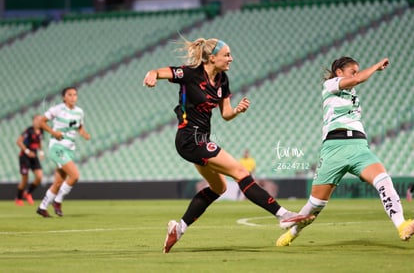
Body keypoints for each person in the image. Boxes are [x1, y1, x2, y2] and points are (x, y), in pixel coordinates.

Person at [143, 37, 314, 253]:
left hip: (201, 140)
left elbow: (225, 114)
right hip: (189, 138)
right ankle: (283, 215)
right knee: (240, 172)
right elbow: (160, 72)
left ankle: (179, 228)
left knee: (219, 188)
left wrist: (237, 111)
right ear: (212, 58)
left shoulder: (222, 79)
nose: (231, 59)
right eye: (227, 55)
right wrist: (151, 75)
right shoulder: (190, 73)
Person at [276, 57, 414, 246]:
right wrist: (374, 66)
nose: (355, 75)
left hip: (358, 146)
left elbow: (355, 82)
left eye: (357, 72)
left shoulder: (351, 92)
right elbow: (357, 80)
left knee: (384, 180)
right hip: (334, 147)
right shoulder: (331, 85)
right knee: (316, 205)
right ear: (339, 72)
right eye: (353, 71)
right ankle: (292, 233)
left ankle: (401, 225)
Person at [36, 87, 90, 217]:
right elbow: (41, 121)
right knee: (75, 175)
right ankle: (57, 201)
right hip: (57, 147)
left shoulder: (79, 112)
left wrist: (84, 133)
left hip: (70, 148)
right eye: (69, 95)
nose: (72, 97)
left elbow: (79, 126)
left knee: (59, 182)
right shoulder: (58, 109)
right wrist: (54, 132)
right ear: (64, 97)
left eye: (75, 95)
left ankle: (42, 207)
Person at [15, 114, 44, 206]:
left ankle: (28, 193)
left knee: (39, 177)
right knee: (25, 179)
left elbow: (39, 142)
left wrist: (41, 152)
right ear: (33, 121)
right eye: (37, 119)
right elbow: (18, 141)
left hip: (34, 156)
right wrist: (27, 151)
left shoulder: (41, 131)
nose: (39, 121)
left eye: (40, 119)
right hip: (24, 156)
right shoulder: (29, 130)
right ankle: (19, 198)